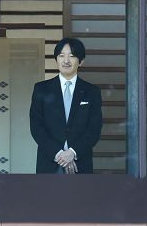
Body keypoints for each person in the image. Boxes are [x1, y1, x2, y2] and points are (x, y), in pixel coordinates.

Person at [29, 37, 102, 174]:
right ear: (56, 59)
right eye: (62, 56)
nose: (66, 60)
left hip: (80, 163)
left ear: (81, 62)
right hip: (49, 163)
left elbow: (94, 129)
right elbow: (36, 126)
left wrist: (72, 153)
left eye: (72, 56)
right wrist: (59, 155)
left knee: (80, 196)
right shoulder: (41, 89)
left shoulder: (91, 92)